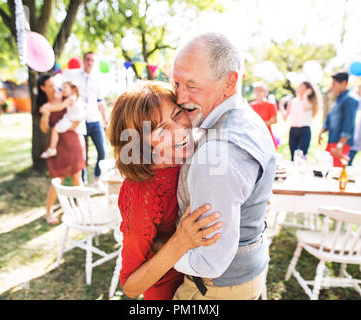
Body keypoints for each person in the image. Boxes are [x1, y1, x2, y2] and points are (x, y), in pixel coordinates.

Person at [171, 32, 276, 300]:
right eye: (176, 83)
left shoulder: (217, 153)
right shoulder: (249, 118)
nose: (181, 97)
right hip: (247, 274)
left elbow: (210, 261)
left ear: (229, 81)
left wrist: (163, 254)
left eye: (192, 85)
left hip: (214, 289)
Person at [107, 81, 223, 300]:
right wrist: (180, 241)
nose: (179, 129)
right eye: (160, 129)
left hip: (207, 284)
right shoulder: (142, 193)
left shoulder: (190, 155)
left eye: (178, 113)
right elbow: (130, 287)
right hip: (170, 293)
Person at [38, 75, 86, 225]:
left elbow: (81, 112)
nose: (54, 88)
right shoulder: (45, 105)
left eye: (55, 85)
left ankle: (81, 207)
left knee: (77, 176)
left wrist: (73, 125)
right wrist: (45, 115)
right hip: (57, 144)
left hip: (73, 141)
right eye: (50, 86)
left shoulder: (66, 99)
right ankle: (49, 211)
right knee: (57, 179)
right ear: (43, 88)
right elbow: (44, 128)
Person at [64, 51, 108, 191]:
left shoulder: (98, 79)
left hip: (95, 121)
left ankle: (96, 179)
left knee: (102, 151)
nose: (89, 62)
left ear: (94, 63)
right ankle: (81, 184)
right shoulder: (74, 76)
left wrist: (106, 120)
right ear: (84, 60)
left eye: (92, 60)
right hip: (80, 122)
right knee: (81, 155)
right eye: (87, 59)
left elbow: (101, 102)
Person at [318, 72, 359, 167]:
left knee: (336, 172)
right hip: (332, 139)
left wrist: (340, 145)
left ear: (344, 83)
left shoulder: (350, 99)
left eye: (334, 84)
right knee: (327, 168)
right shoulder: (339, 98)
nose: (332, 87)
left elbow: (348, 124)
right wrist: (323, 130)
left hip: (340, 143)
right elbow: (331, 116)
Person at [39, 80, 87, 159]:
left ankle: (52, 149)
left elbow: (60, 107)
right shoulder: (76, 97)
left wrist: (47, 108)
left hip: (70, 119)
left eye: (65, 87)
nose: (62, 89)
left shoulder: (70, 99)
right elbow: (85, 108)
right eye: (62, 87)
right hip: (74, 119)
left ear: (72, 89)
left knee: (55, 129)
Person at [280, 81, 321, 161]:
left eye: (302, 86)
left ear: (308, 89)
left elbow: (305, 107)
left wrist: (305, 95)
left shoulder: (310, 102)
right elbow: (285, 117)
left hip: (304, 130)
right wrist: (281, 105)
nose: (299, 88)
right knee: (293, 156)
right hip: (293, 130)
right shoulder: (293, 101)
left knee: (302, 156)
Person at [248, 81, 278, 149]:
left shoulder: (270, 104)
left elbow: (274, 120)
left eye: (260, 91)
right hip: (254, 134)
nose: (257, 93)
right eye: (256, 91)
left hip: (266, 135)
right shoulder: (251, 105)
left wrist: (261, 124)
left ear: (265, 92)